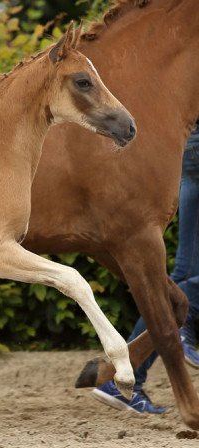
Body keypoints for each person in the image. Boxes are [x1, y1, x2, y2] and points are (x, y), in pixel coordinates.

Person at [92, 124, 199, 414]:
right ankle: (123, 375)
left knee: (181, 277)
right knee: (182, 281)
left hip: (192, 144)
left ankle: (120, 374)